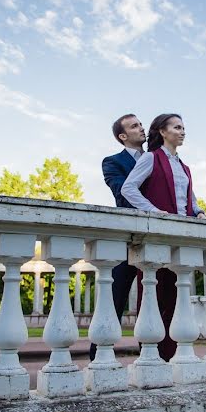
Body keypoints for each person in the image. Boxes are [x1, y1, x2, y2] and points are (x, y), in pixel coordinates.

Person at [121, 113, 206, 361]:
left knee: (174, 297)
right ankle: (150, 356)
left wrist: (198, 211)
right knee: (152, 297)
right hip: (156, 237)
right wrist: (153, 211)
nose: (182, 132)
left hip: (180, 237)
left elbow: (189, 197)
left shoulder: (184, 166)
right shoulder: (150, 158)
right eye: (177, 127)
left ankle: (170, 357)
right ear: (162, 131)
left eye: (183, 127)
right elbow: (128, 188)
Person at [89, 113, 147, 361]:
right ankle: (98, 358)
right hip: (126, 240)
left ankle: (152, 358)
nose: (142, 128)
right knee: (113, 300)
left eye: (141, 124)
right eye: (135, 126)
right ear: (123, 136)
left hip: (160, 239)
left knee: (157, 299)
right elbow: (122, 196)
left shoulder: (160, 158)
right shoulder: (112, 162)